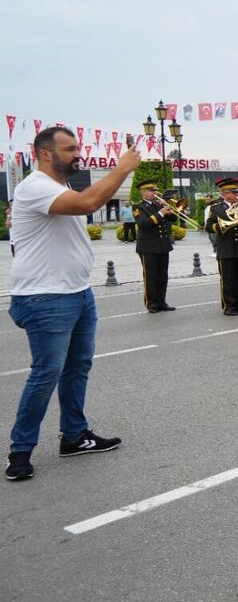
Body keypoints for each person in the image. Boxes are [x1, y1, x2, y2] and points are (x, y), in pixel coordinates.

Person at [5, 127, 140, 482]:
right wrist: (123, 168)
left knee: (77, 367)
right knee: (46, 372)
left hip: (77, 292)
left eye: (78, 146)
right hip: (46, 297)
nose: (78, 153)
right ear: (45, 154)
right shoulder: (34, 186)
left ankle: (75, 435)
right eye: (70, 148)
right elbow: (90, 203)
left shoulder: (58, 186)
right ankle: (20, 450)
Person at [205, 177, 238, 315]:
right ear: (224, 193)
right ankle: (229, 306)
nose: (236, 194)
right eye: (233, 192)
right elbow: (208, 226)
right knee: (228, 279)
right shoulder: (215, 208)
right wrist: (221, 226)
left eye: (237, 191)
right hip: (227, 248)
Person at [133, 181, 176, 313]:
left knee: (163, 275)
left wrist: (169, 209)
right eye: (151, 191)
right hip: (148, 246)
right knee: (150, 276)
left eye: (155, 190)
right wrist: (161, 213)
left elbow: (173, 219)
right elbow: (144, 224)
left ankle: (161, 301)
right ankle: (151, 303)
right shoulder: (138, 207)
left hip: (163, 245)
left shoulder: (159, 205)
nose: (154, 193)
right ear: (143, 192)